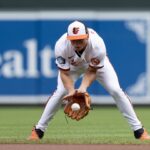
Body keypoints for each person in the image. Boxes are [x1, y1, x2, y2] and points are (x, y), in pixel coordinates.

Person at [28, 20, 150, 140]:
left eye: (80, 39)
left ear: (87, 36)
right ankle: (39, 130)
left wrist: (82, 89)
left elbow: (91, 71)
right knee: (60, 92)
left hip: (94, 66)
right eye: (74, 40)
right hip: (72, 68)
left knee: (116, 91)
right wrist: (71, 91)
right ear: (69, 38)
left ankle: (139, 130)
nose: (77, 43)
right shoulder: (61, 46)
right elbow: (64, 73)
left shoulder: (97, 45)